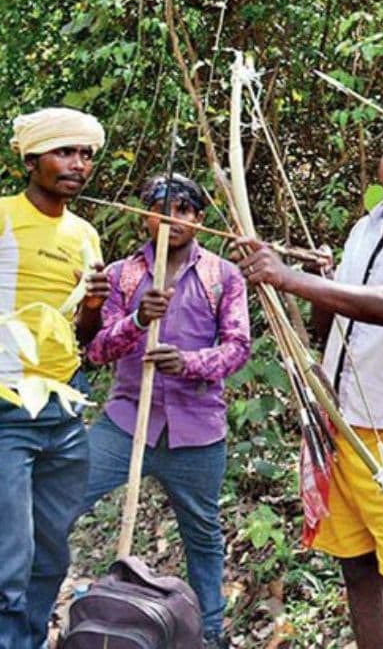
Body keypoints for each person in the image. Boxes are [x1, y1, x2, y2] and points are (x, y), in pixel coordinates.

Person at [237, 111, 383, 649]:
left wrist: (289, 276)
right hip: (342, 429)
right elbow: (331, 325)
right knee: (357, 574)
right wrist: (317, 280)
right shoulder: (367, 226)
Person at [79, 173, 250, 648]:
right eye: (160, 207)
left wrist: (187, 363)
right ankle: (77, 616)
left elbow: (238, 348)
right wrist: (137, 320)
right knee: (66, 501)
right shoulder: (123, 274)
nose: (171, 218)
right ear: (145, 214)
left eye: (184, 209)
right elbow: (95, 351)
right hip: (126, 421)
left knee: (202, 535)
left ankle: (210, 634)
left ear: (198, 219)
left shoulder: (223, 275)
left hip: (197, 430)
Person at [0, 107, 109, 649]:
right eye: (65, 152)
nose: (78, 164)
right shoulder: (2, 217)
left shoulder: (86, 235)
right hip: (6, 405)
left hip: (65, 406)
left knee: (51, 551)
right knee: (8, 559)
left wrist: (92, 305)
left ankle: (29, 637)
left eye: (86, 154)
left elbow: (85, 335)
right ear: (31, 158)